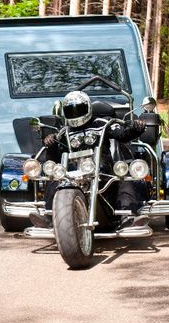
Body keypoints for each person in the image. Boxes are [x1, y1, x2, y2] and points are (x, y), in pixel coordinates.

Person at [29, 90, 148, 230]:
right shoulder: (64, 131)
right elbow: (54, 157)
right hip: (74, 170)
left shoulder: (101, 123)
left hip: (103, 168)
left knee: (122, 178)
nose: (75, 114)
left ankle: (128, 216)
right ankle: (48, 216)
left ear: (88, 108)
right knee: (56, 177)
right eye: (70, 111)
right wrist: (51, 143)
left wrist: (135, 128)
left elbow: (122, 134)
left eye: (78, 109)